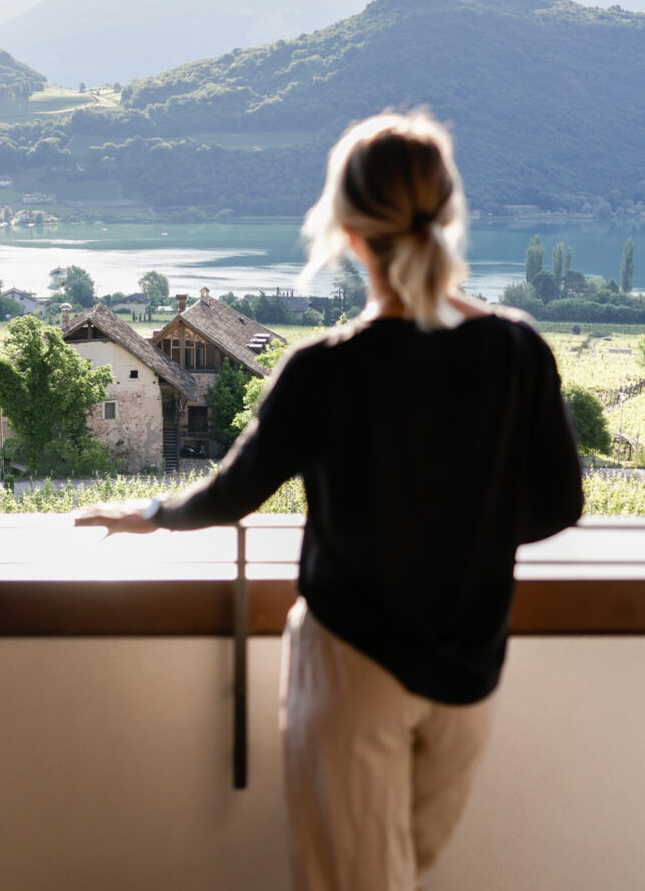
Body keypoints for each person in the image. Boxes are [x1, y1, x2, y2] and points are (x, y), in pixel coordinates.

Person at [75, 110, 583, 891]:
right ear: (449, 216)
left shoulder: (326, 368)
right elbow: (559, 503)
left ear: (348, 232)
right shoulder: (519, 350)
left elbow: (235, 491)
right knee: (403, 869)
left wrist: (150, 514)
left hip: (353, 666)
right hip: (470, 671)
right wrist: (462, 533)